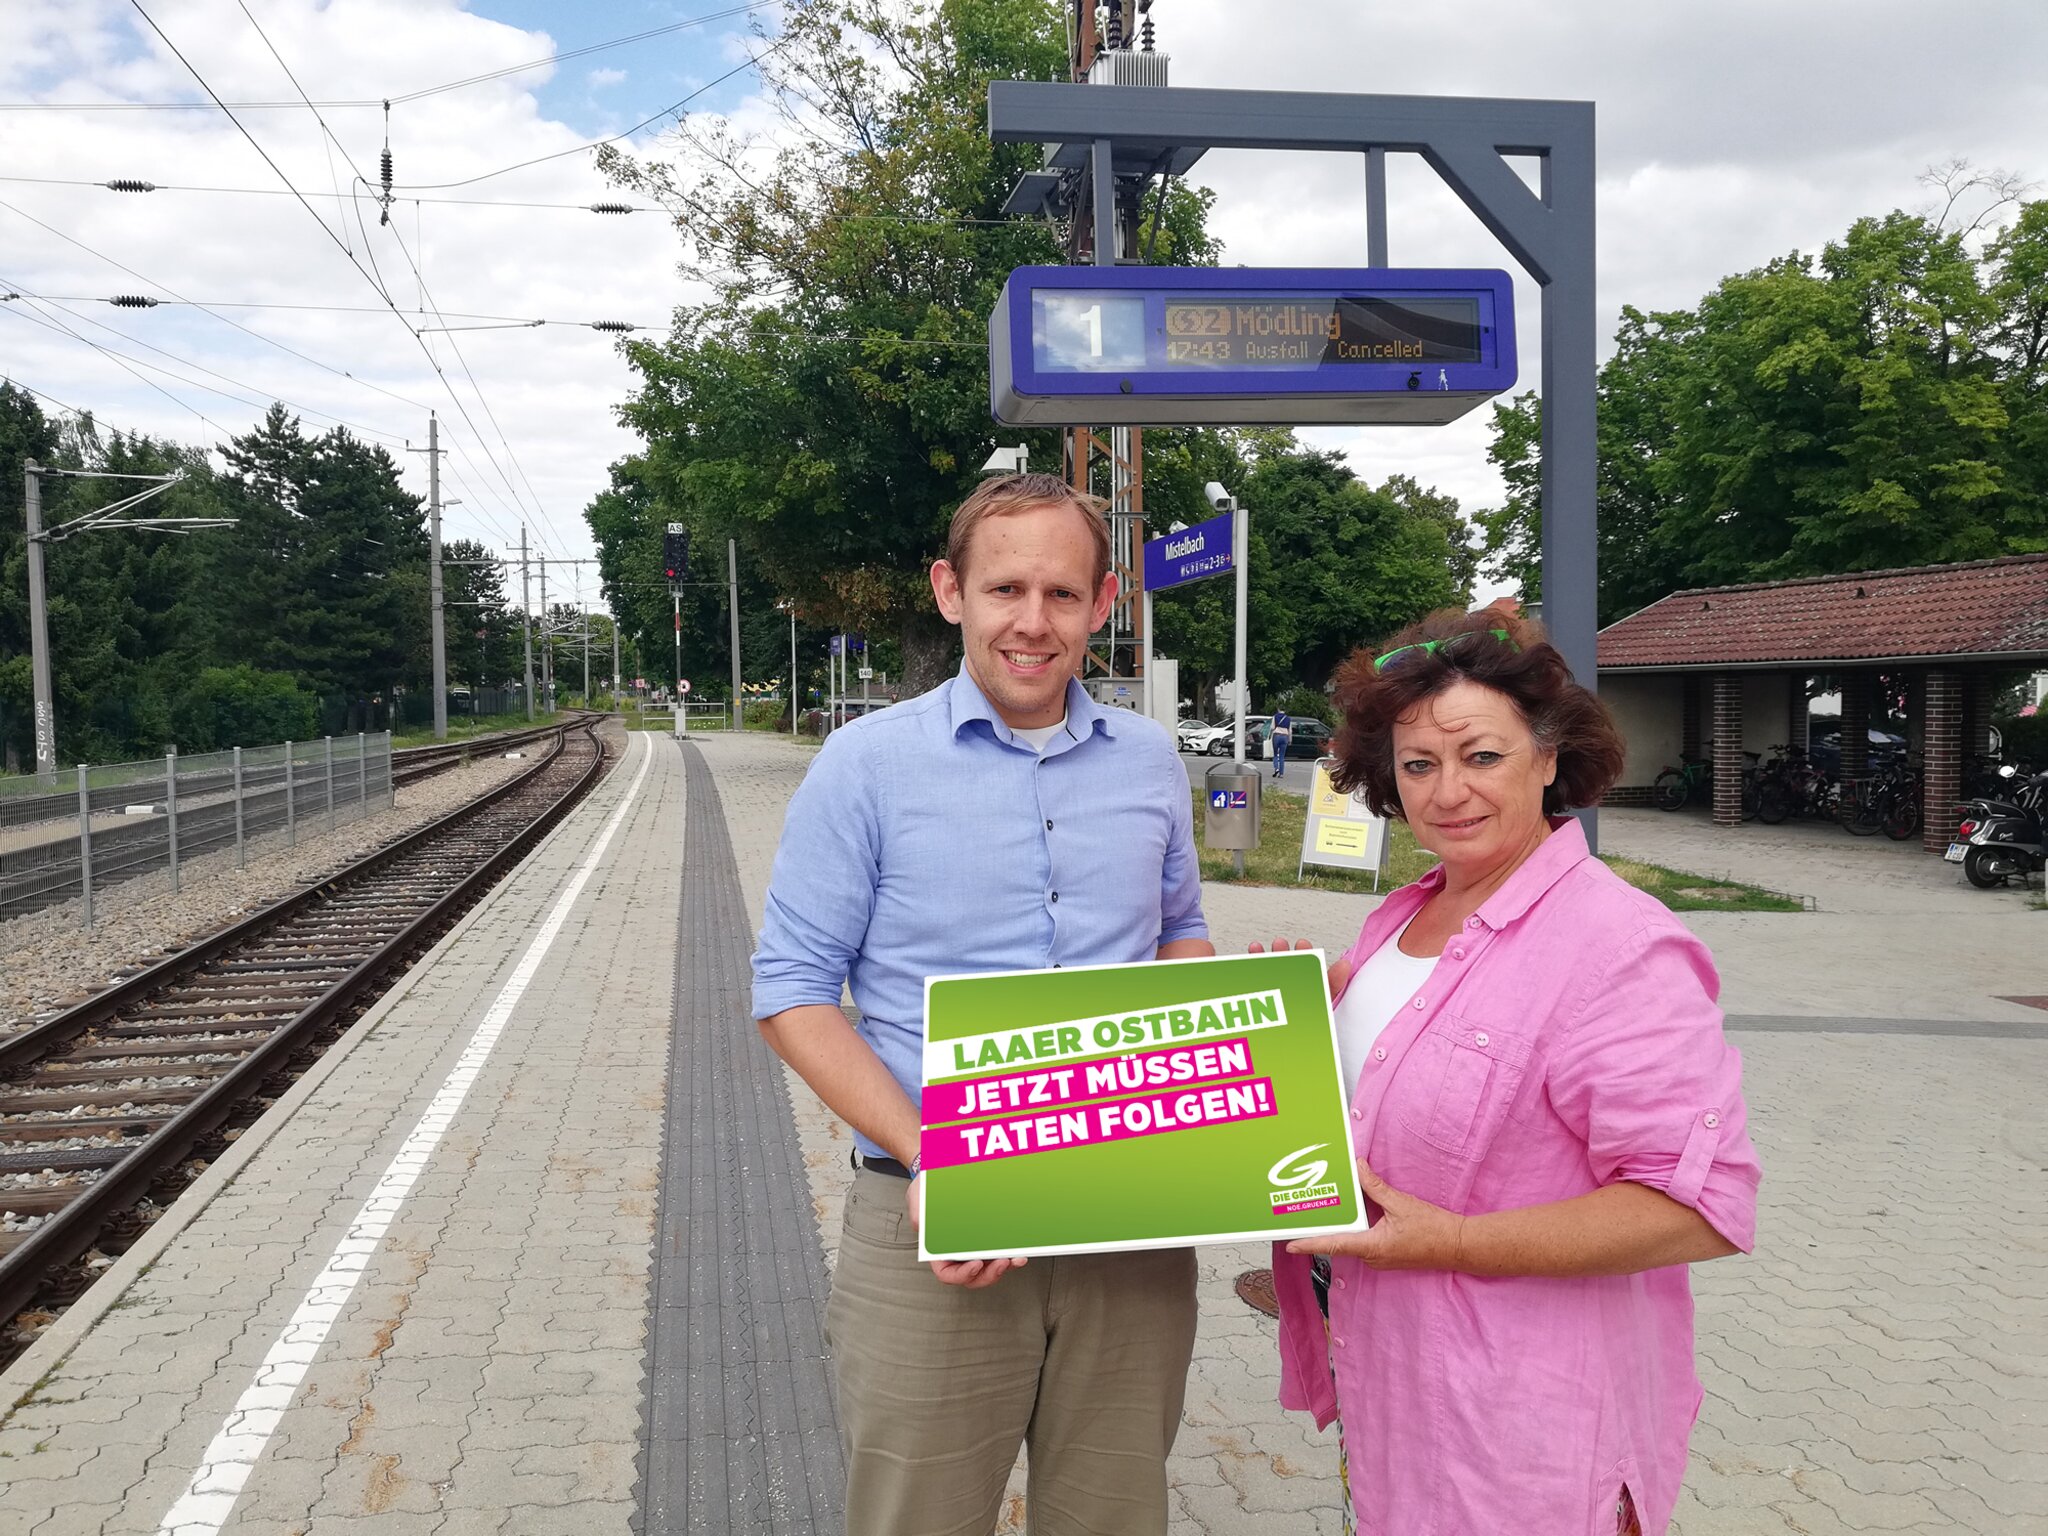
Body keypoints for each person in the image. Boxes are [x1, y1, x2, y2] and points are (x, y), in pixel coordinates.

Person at [752, 472, 1214, 1536]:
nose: (1032, 622)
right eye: (1005, 588)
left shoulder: (1148, 760)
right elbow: (788, 990)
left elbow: (1177, 929)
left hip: (1131, 1215)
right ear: (949, 592)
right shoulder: (865, 765)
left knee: (1113, 1516)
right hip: (932, 1219)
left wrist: (1236, 1028)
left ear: (1104, 606)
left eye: (1062, 594)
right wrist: (936, 1157)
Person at [1257, 605, 1760, 1536]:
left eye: (1481, 757)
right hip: (1391, 1398)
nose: (1448, 791)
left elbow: (1699, 1207)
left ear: (1549, 757)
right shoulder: (1398, 923)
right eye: (1418, 764)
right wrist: (1288, 1047)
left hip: (1524, 1435)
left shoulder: (1620, 947)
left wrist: (1452, 1241)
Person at [1270, 707, 1292, 779]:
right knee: (1282, 756)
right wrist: (1290, 740)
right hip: (1285, 736)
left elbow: (1272, 727)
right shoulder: (1288, 719)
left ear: (1278, 709)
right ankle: (1281, 774)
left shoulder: (1275, 716)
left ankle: (1276, 768)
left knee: (1276, 754)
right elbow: (1290, 731)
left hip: (1276, 736)